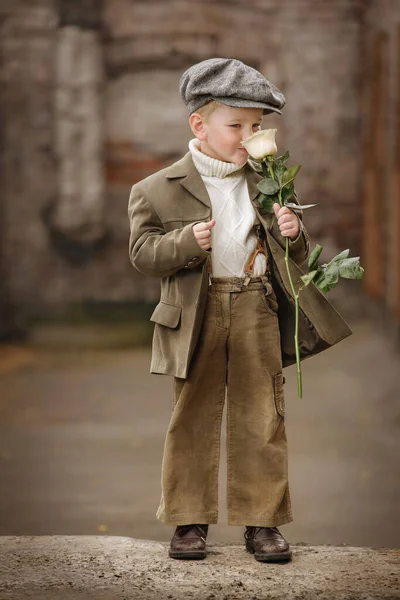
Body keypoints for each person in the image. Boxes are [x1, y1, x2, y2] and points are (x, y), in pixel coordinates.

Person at [127, 58, 351, 563]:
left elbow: (290, 253)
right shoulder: (155, 189)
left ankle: (262, 522)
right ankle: (189, 522)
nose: (248, 136)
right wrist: (187, 241)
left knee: (263, 414)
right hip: (196, 314)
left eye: (256, 127)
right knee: (192, 415)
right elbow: (142, 254)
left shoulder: (269, 181)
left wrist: (294, 235)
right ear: (198, 125)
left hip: (257, 304)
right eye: (237, 126)